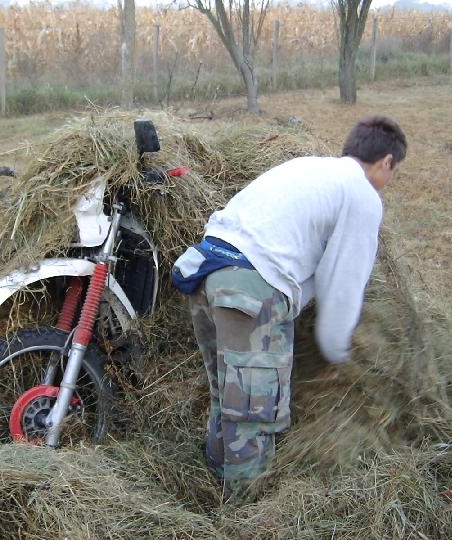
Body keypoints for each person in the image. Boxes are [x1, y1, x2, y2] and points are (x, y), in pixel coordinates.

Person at [171, 115, 408, 498]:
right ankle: (246, 515)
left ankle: (211, 487)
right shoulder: (361, 195)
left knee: (228, 396)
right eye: (392, 172)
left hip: (207, 274)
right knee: (252, 413)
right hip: (252, 288)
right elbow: (344, 282)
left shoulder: (309, 169)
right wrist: (338, 349)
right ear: (385, 162)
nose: (388, 181)